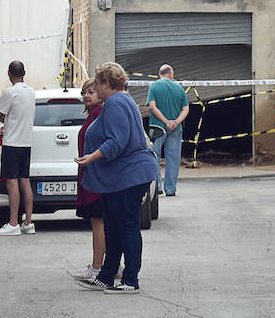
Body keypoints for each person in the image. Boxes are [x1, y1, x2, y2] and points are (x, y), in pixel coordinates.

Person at [74, 62, 159, 294]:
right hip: (121, 176)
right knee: (112, 224)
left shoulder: (114, 103)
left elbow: (117, 142)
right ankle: (107, 275)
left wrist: (90, 157)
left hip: (130, 174)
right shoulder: (124, 100)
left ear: (106, 84)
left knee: (127, 225)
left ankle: (131, 280)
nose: (94, 88)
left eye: (97, 84)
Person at [0, 60, 36, 236]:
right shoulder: (31, 92)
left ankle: (13, 223)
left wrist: (4, 120)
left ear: (9, 74)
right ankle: (28, 222)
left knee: (11, 182)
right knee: (25, 180)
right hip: (26, 143)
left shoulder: (9, 92)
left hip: (11, 143)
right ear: (25, 73)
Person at [70, 80, 106, 282]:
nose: (86, 96)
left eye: (91, 92)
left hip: (97, 175)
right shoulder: (93, 114)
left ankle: (97, 267)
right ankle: (107, 264)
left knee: (98, 222)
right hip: (91, 173)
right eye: (84, 92)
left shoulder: (100, 113)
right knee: (100, 222)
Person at [147, 64, 190, 197]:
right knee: (173, 158)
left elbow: (153, 107)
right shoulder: (179, 88)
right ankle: (170, 189)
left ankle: (158, 187)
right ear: (171, 74)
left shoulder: (153, 86)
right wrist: (176, 122)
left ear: (160, 74)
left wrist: (165, 121)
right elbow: (186, 109)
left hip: (157, 127)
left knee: (155, 156)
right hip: (176, 129)